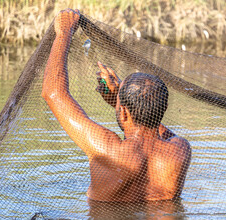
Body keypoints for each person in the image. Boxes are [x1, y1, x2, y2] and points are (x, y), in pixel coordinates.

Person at [42, 9, 191, 202]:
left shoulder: (108, 150)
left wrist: (64, 32)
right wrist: (119, 101)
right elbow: (155, 129)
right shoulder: (180, 150)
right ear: (164, 107)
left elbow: (53, 93)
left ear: (124, 113)